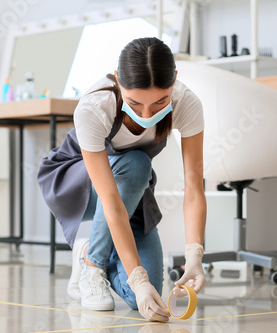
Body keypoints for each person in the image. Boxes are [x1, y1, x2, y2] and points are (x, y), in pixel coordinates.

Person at [37, 37, 207, 322]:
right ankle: (93, 264)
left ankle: (91, 250)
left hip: (131, 191)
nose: (146, 116)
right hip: (77, 184)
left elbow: (193, 186)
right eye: (135, 103)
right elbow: (111, 201)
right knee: (138, 164)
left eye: (160, 102)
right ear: (118, 80)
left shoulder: (187, 103)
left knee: (142, 298)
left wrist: (195, 255)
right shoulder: (95, 107)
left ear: (174, 81)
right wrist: (135, 277)